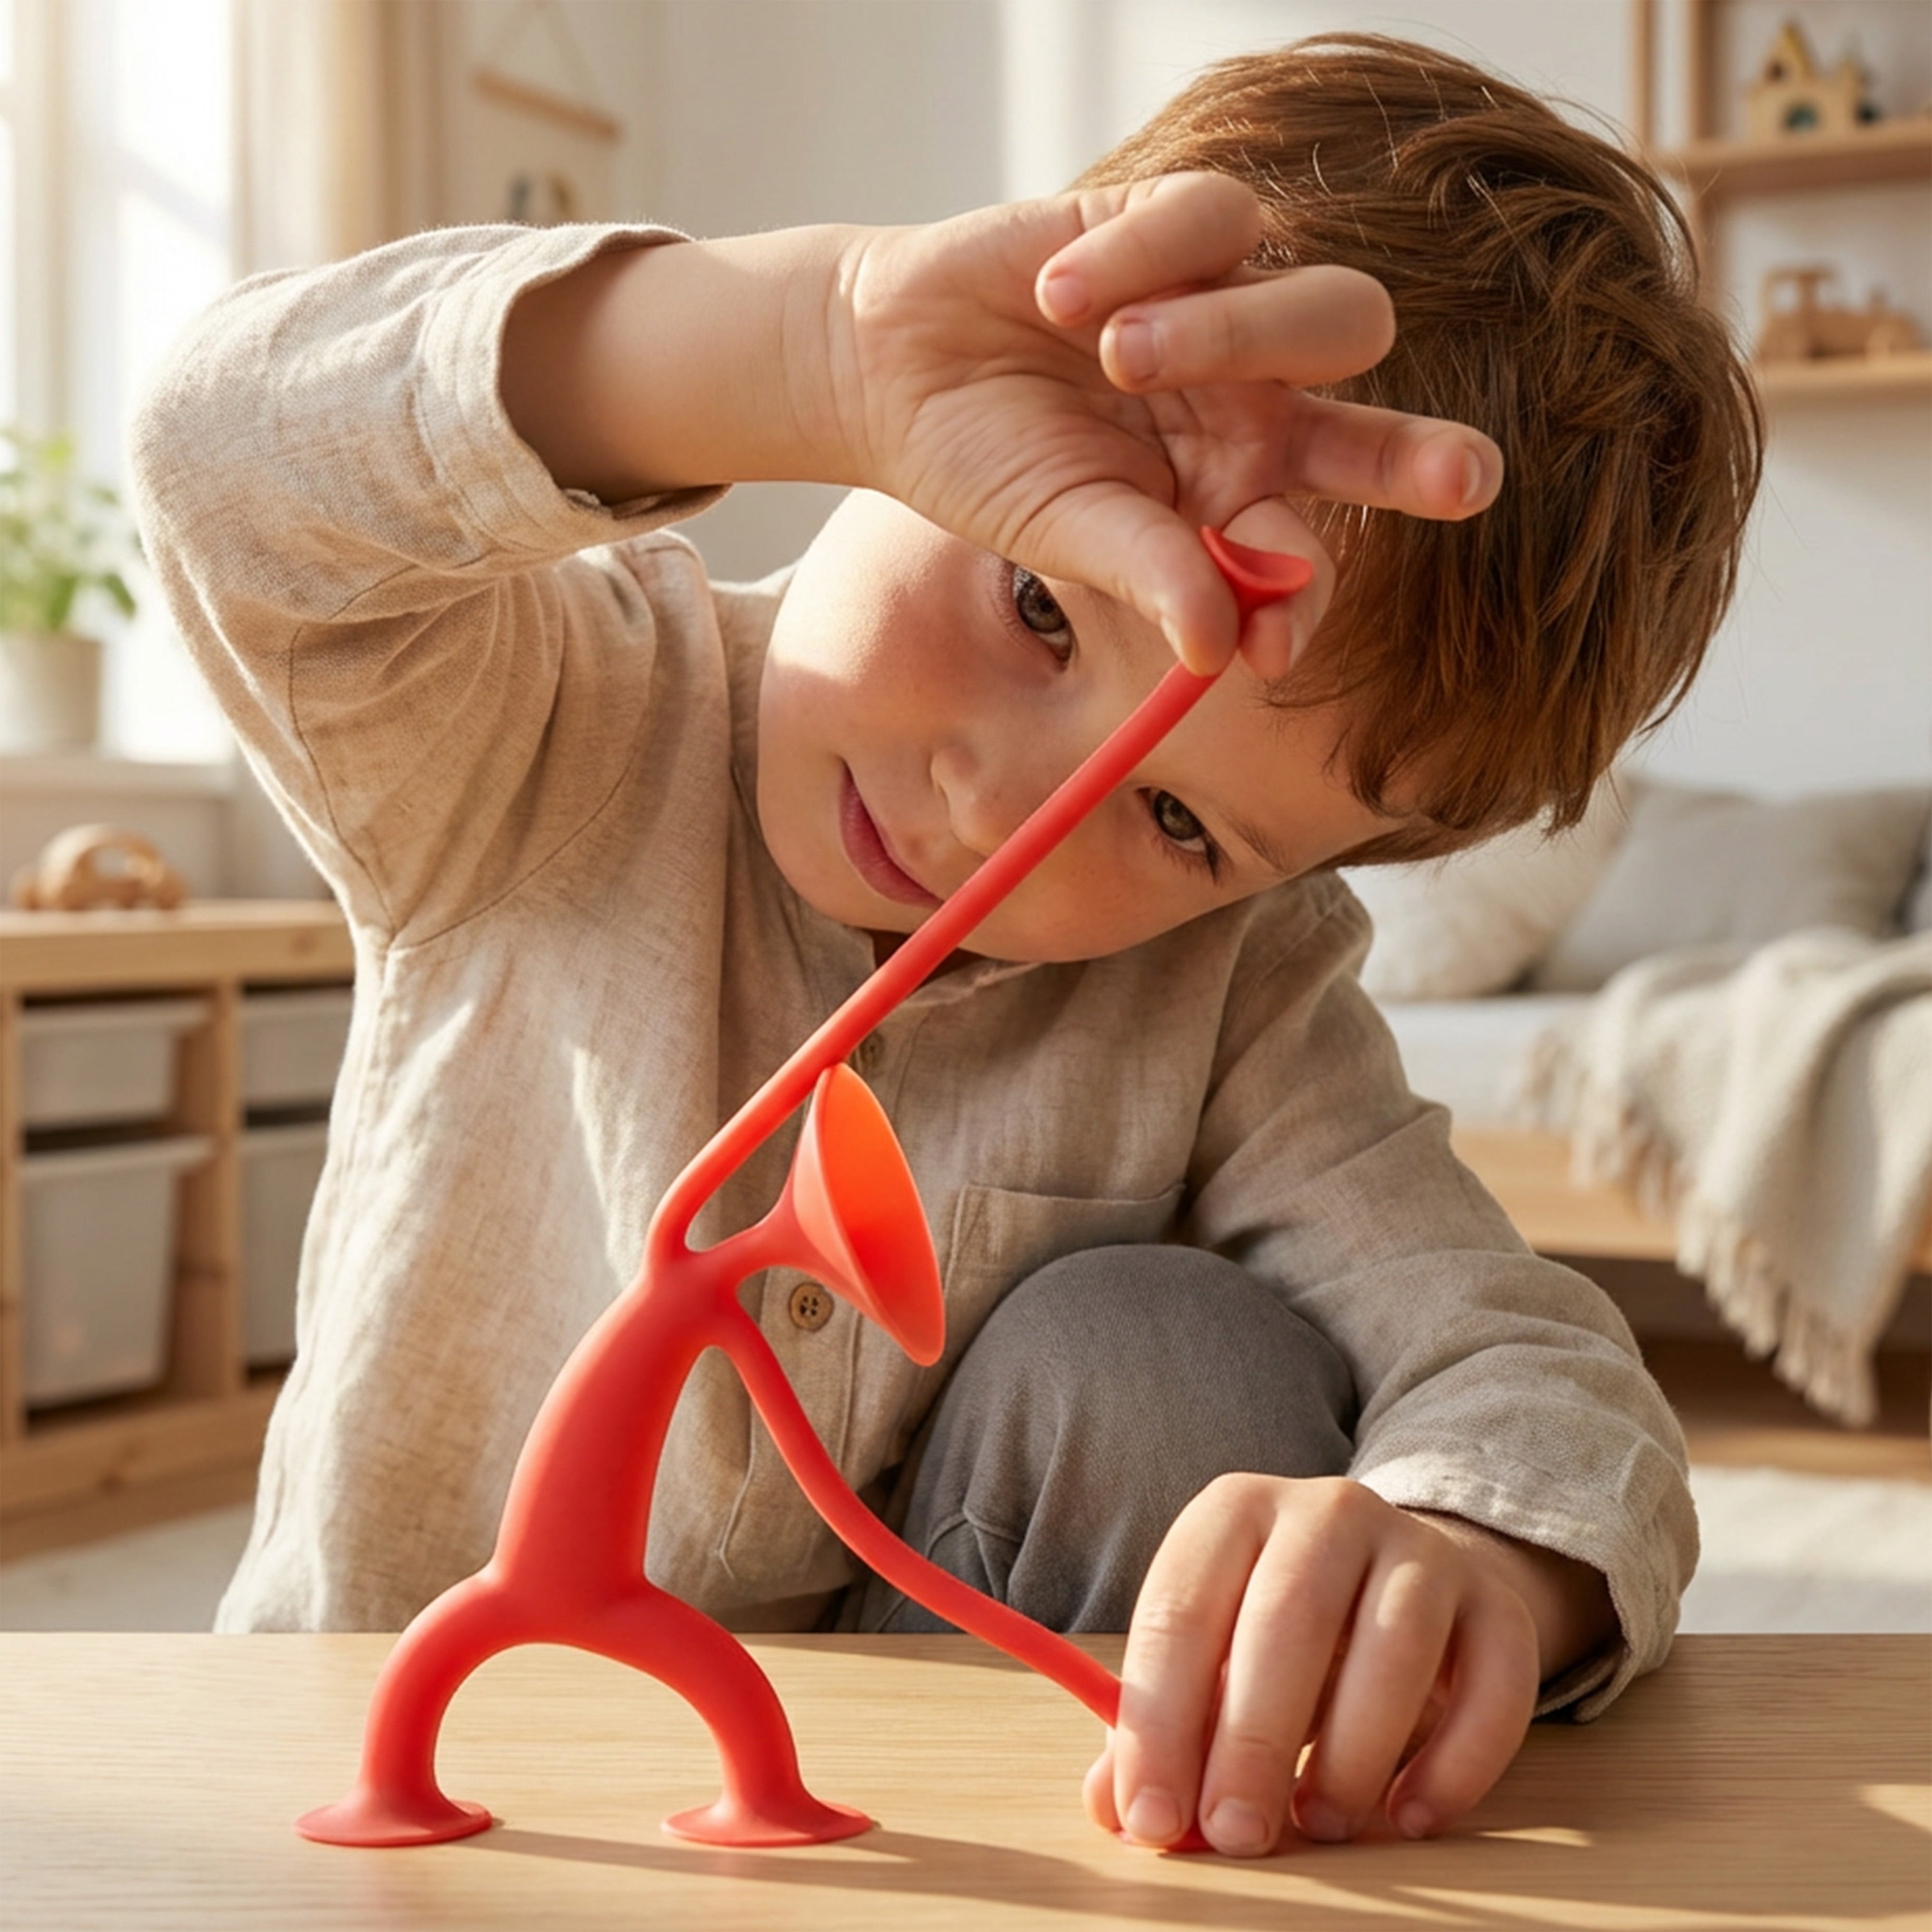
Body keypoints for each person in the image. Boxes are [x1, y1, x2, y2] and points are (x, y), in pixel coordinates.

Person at [130, 33, 1759, 1859]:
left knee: (1166, 1359)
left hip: (923, 1823)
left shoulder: (1235, 984)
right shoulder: (551, 714)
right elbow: (225, 455)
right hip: (424, 1792)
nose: (1000, 808)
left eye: (1176, 824)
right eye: (1043, 601)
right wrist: (804, 348)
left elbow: (1524, 1359)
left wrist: (1473, 1552)